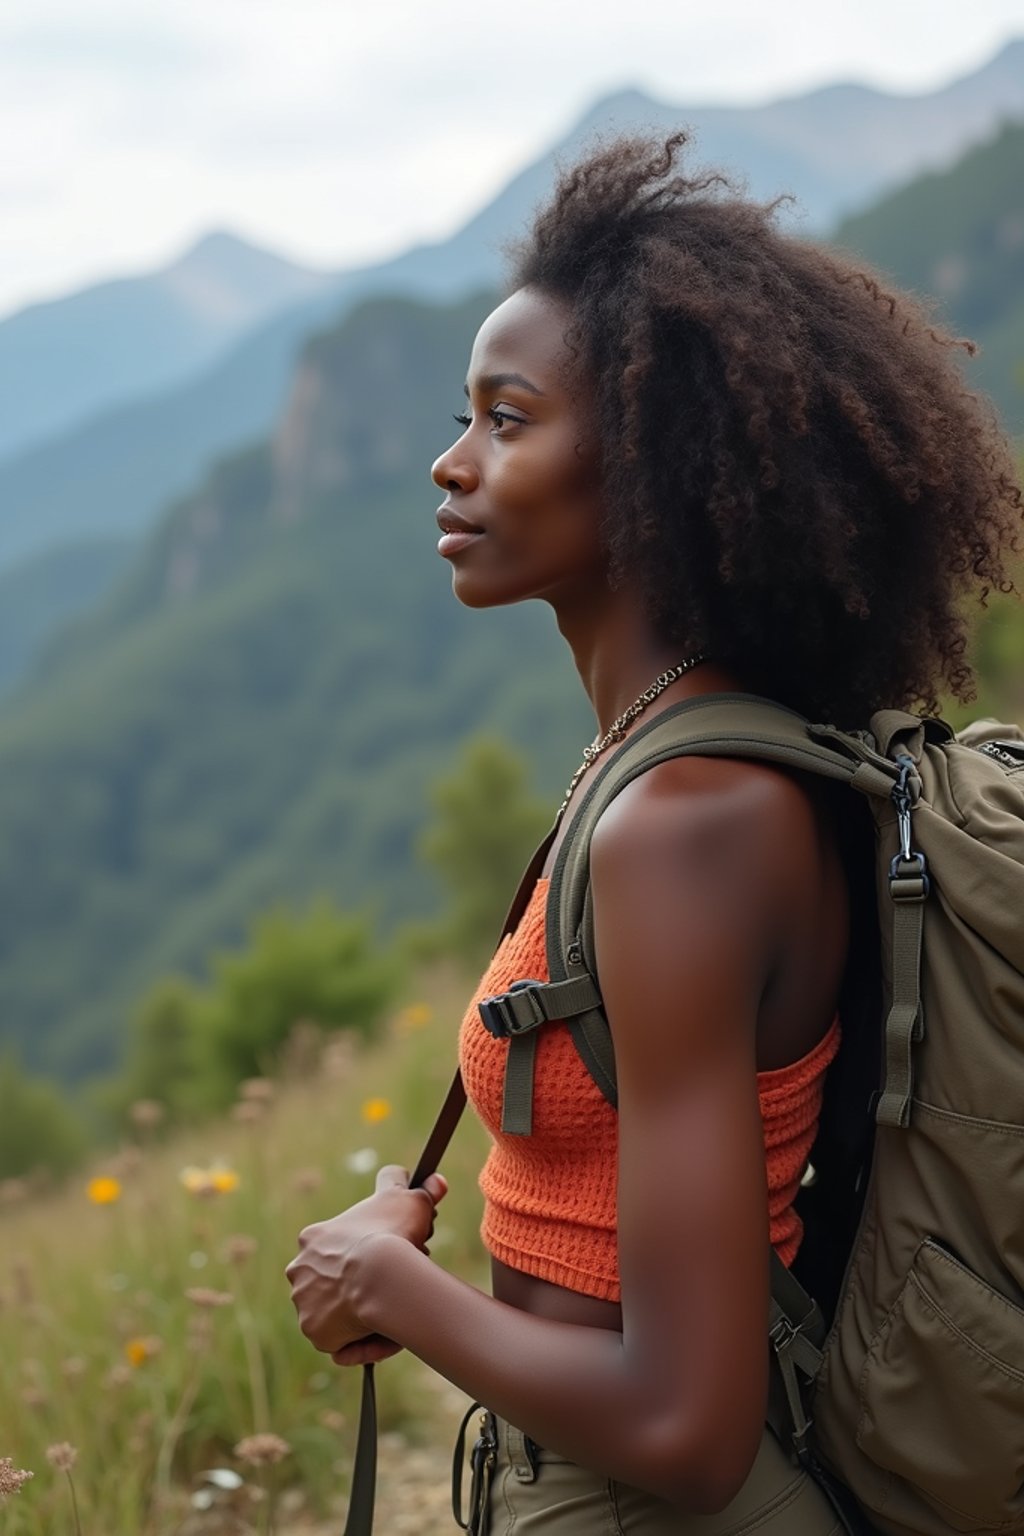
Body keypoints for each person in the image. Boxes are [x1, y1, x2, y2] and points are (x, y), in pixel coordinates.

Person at [286, 134, 1021, 1532]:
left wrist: (389, 1289)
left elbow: (686, 1427)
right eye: (467, 415)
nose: (450, 465)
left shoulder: (683, 828)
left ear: (655, 466)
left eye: (509, 420)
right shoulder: (667, 762)